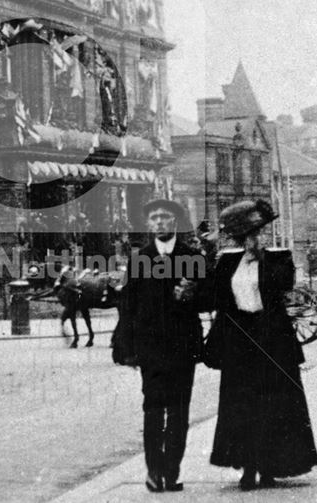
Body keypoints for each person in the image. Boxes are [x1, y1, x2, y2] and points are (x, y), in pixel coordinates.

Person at [207, 199, 317, 490]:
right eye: (253, 235)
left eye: (262, 233)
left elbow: (283, 284)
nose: (259, 239)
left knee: (273, 405)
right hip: (240, 341)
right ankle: (248, 467)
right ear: (242, 237)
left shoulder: (279, 258)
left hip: (272, 341)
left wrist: (263, 258)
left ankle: (269, 466)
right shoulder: (228, 261)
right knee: (242, 406)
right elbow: (215, 295)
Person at [114, 198, 205, 493]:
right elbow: (127, 305)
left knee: (179, 412)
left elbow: (211, 298)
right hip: (150, 349)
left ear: (175, 222)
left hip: (183, 347)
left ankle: (171, 471)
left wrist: (193, 295)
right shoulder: (141, 259)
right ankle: (153, 471)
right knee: (153, 409)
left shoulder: (191, 256)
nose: (159, 222)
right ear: (149, 224)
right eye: (154, 218)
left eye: (165, 216)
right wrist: (126, 348)